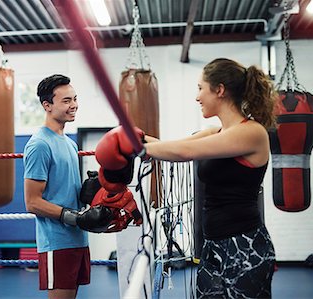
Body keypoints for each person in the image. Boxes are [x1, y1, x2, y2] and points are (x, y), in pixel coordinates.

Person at [99, 58, 277, 298]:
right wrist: (132, 138)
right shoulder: (216, 132)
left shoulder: (252, 133)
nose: (197, 97)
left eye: (200, 88)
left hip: (244, 245)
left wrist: (140, 149)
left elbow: (185, 153)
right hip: (212, 246)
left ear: (220, 90)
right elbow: (171, 146)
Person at [23, 74, 111, 299]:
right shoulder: (39, 145)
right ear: (47, 105)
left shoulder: (70, 144)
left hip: (78, 239)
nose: (74, 105)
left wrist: (87, 192)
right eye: (66, 101)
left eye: (75, 98)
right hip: (57, 240)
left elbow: (62, 191)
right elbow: (32, 202)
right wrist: (74, 217)